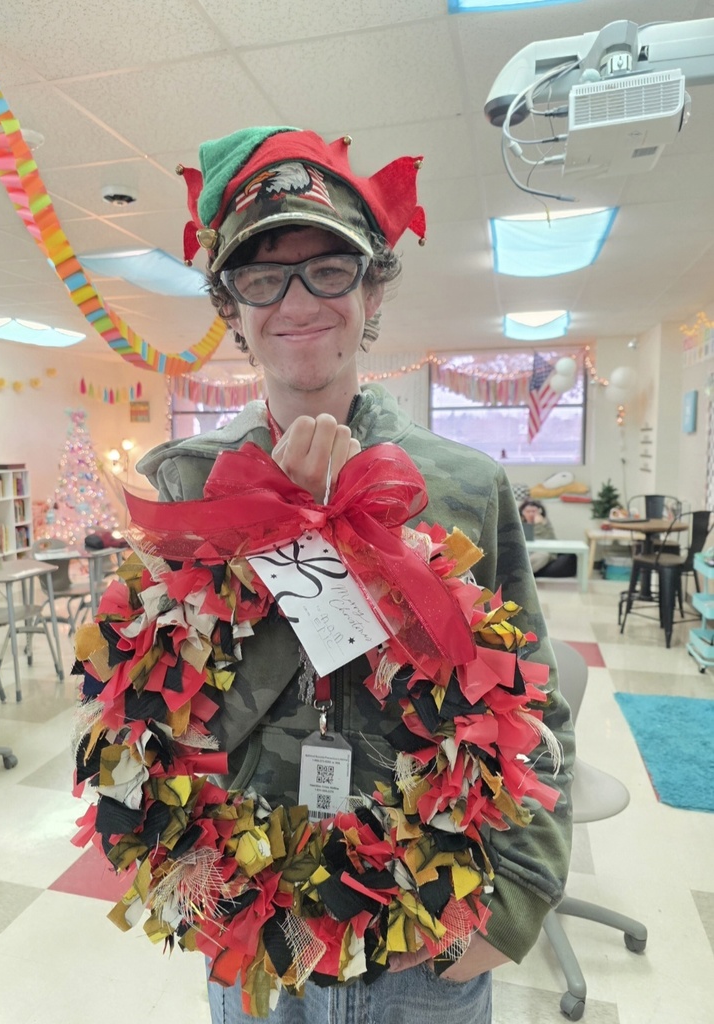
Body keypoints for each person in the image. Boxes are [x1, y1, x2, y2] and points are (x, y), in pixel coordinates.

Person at [133, 127, 574, 1023]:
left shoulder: (459, 484)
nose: (297, 300)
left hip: (429, 919)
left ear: (372, 290)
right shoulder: (182, 484)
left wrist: (519, 896)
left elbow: (532, 705)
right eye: (262, 276)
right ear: (233, 307)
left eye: (328, 269)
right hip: (254, 917)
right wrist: (274, 527)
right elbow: (157, 709)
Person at [520, 499, 578, 578]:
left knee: (543, 555)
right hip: (526, 552)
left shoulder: (544, 522)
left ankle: (522, 575)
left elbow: (544, 540)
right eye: (528, 511)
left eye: (533, 511)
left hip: (543, 553)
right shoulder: (519, 523)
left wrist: (538, 524)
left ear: (539, 512)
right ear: (522, 512)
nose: (531, 514)